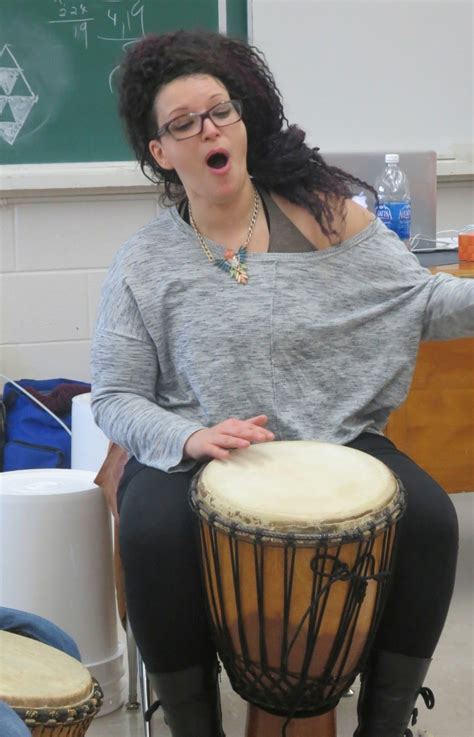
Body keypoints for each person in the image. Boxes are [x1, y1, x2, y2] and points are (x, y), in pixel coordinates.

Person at [90, 29, 474, 737]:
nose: (210, 128)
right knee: (150, 532)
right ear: (161, 153)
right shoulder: (143, 263)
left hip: (336, 441)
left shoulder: (326, 216)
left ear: (243, 120)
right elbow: (114, 396)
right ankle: (193, 724)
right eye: (183, 123)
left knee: (430, 518)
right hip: (204, 446)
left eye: (220, 111)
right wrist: (190, 435)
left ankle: (384, 723)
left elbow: (420, 304)